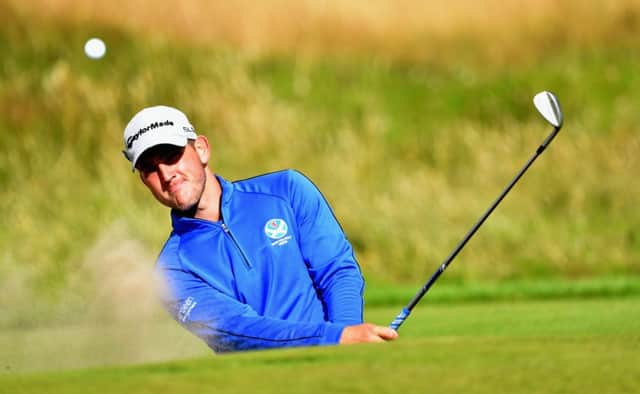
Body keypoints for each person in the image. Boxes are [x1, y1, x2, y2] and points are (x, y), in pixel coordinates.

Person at [122, 105, 398, 353]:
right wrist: (334, 338)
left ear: (202, 149)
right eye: (149, 169)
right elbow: (237, 330)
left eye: (172, 156)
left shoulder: (287, 190)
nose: (166, 175)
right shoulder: (171, 271)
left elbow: (336, 271)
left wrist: (346, 341)